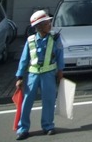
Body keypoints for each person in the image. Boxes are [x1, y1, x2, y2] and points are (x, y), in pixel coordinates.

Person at [15, 10, 64, 140]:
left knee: (49, 100)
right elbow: (24, 60)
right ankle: (23, 129)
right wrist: (19, 77)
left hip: (48, 75)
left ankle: (48, 126)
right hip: (33, 75)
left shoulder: (55, 38)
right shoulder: (30, 40)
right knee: (26, 102)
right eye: (47, 22)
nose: (50, 24)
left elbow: (60, 55)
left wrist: (60, 71)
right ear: (39, 26)